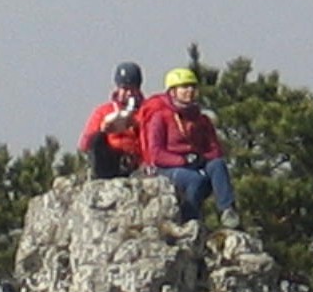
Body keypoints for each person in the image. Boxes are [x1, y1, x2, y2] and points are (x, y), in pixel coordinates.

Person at [140, 67, 240, 227]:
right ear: (172, 92)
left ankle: (228, 211)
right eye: (184, 87)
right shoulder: (161, 118)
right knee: (195, 180)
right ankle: (190, 219)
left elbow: (215, 150)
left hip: (196, 163)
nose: (190, 91)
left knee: (218, 165)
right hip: (168, 168)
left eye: (193, 86)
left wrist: (203, 158)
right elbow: (156, 154)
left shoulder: (201, 119)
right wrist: (183, 160)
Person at [78, 61, 145, 179]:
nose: (129, 93)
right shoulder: (103, 111)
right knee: (97, 139)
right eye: (125, 89)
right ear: (118, 88)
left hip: (137, 162)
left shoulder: (147, 111)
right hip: (110, 161)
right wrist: (103, 129)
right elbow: (84, 145)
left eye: (133, 89)